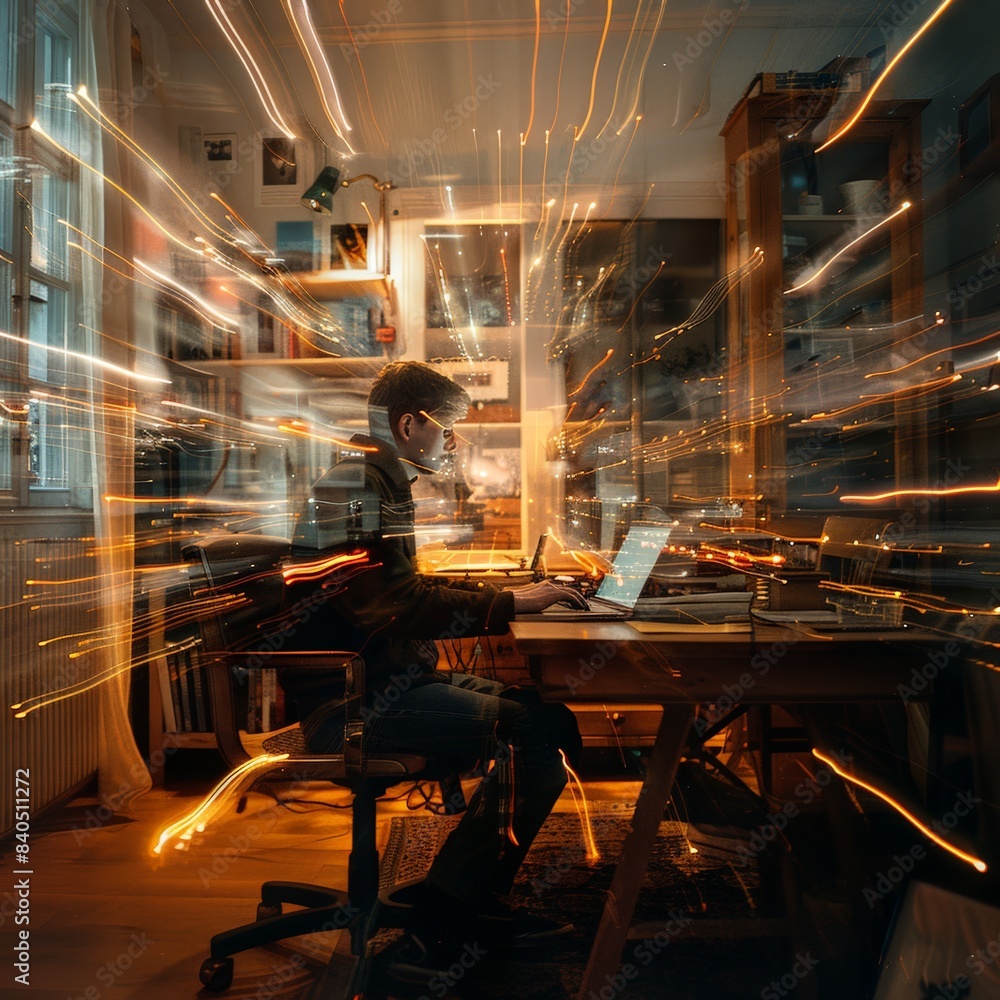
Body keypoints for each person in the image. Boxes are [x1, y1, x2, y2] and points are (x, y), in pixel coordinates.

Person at [279, 360, 589, 984]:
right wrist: (506, 604)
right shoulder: (361, 487)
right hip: (349, 706)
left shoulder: (378, 482)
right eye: (447, 430)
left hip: (384, 684)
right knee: (528, 733)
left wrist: (508, 595)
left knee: (552, 721)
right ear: (409, 424)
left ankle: (461, 892)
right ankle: (447, 914)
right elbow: (391, 606)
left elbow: (403, 588)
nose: (453, 442)